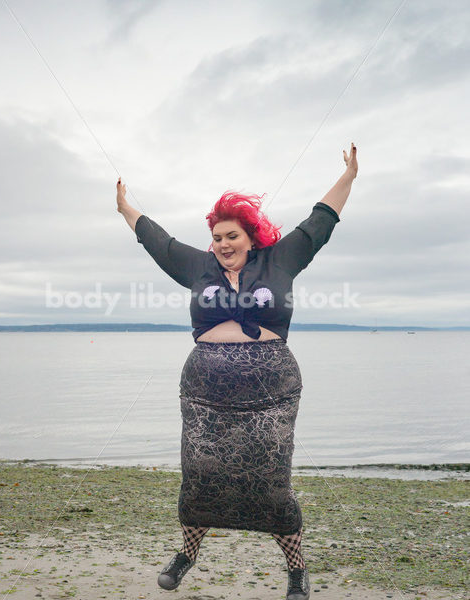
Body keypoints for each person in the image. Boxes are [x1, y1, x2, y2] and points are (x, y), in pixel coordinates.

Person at [116, 143, 358, 600]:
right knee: (201, 475)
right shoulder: (198, 267)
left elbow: (320, 222)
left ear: (250, 236)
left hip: (271, 388)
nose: (223, 244)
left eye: (232, 236)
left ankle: (296, 569)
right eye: (218, 237)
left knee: (271, 484)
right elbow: (156, 239)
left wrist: (349, 177)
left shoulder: (280, 260)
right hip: (206, 391)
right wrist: (125, 206)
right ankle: (187, 554)